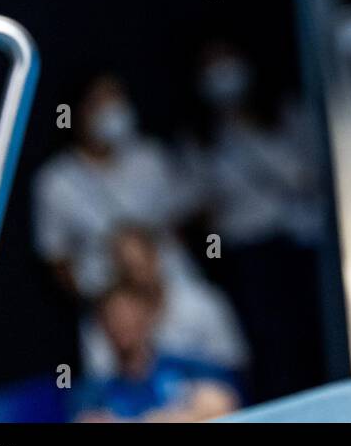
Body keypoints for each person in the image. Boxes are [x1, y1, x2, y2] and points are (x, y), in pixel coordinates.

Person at [31, 72, 230, 376]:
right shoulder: (56, 181)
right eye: (99, 103)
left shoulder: (149, 157)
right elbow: (57, 259)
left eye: (116, 98)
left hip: (172, 283)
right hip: (108, 299)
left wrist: (153, 278)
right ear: (76, 112)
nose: (112, 109)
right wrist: (112, 304)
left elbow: (180, 219)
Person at [183, 41, 327, 398]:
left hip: (297, 238)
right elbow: (200, 212)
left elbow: (311, 174)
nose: (222, 75)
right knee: (271, 340)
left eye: (226, 62)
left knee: (314, 326)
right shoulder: (202, 140)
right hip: (248, 253)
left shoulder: (283, 114)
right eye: (211, 67)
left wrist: (253, 141)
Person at [81, 226, 249, 383]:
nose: (138, 276)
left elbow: (232, 362)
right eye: (128, 268)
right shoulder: (106, 320)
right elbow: (101, 384)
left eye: (140, 264)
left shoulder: (200, 302)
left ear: (155, 257)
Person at [73, 284, 239, 423]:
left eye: (128, 317)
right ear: (102, 327)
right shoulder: (95, 392)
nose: (121, 325)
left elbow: (222, 403)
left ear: (147, 318)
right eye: (113, 318)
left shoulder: (187, 367)